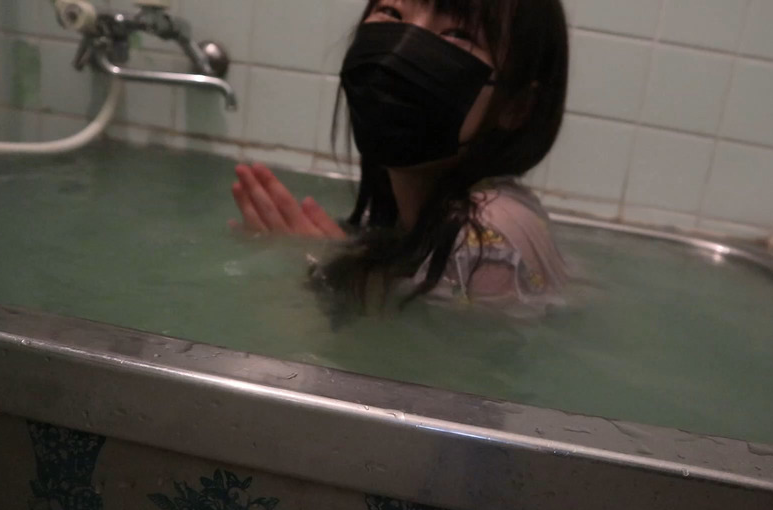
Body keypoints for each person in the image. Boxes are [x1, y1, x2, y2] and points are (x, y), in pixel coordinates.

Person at [230, 0, 569, 315]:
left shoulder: (486, 240)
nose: (403, 45)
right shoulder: (412, 220)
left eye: (457, 34)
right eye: (391, 13)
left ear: (516, 106)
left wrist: (312, 280)